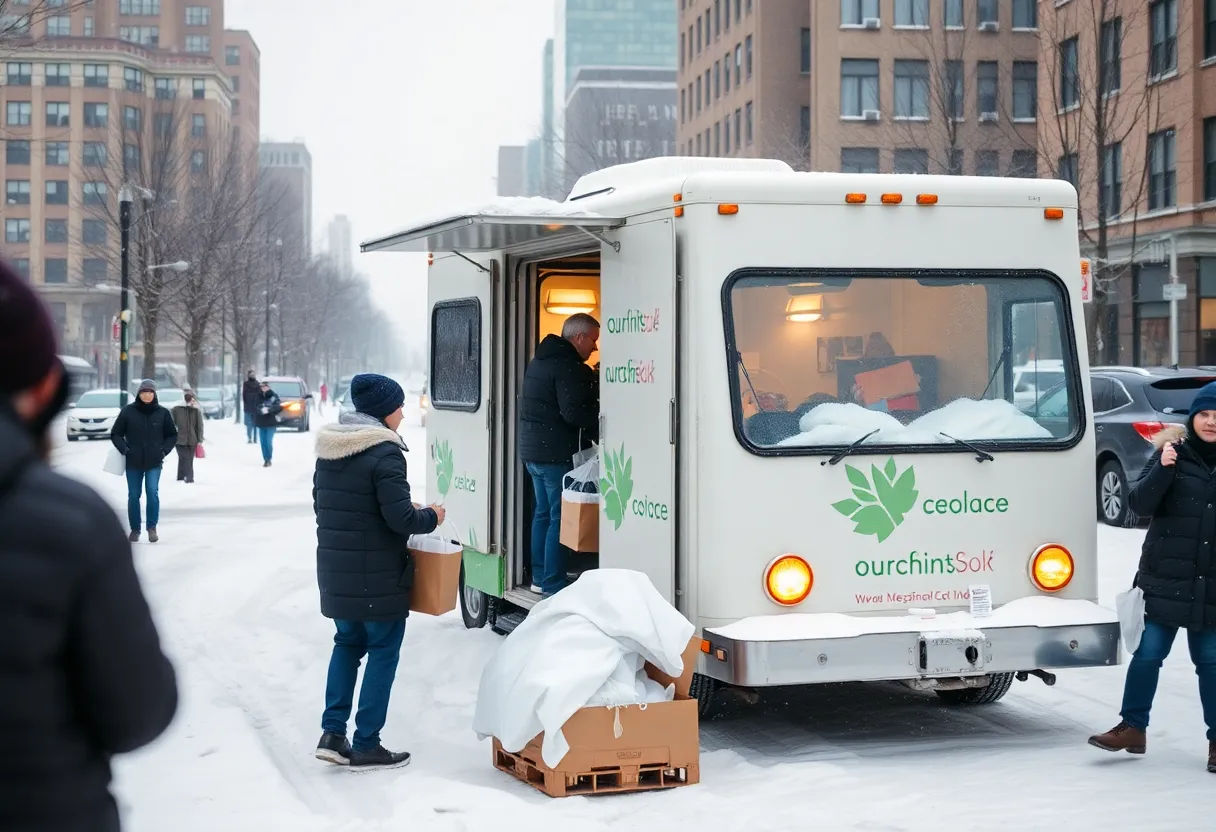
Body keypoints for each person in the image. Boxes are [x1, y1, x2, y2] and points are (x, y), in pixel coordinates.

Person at [0, 257, 178, 832]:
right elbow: (138, 710)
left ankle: (148, 520)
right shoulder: (66, 524)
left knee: (148, 500)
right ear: (46, 388)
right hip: (48, 811)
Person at [312, 373, 446, 771]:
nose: (404, 413)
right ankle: (367, 742)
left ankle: (333, 734)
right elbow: (401, 518)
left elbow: (329, 508)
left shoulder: (331, 450)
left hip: (338, 570)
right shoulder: (385, 453)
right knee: (382, 652)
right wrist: (431, 516)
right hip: (378, 575)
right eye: (400, 405)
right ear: (385, 410)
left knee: (347, 645)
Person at [1089, 381, 1216, 774]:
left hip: (1212, 584)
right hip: (1165, 576)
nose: (1211, 422)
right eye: (1205, 415)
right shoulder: (1170, 452)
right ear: (1193, 418)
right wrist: (1162, 470)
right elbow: (1137, 504)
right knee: (1148, 655)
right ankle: (1133, 728)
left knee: (1211, 663)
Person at [518, 313, 600, 597]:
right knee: (558, 517)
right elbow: (573, 413)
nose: (594, 348)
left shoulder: (539, 360)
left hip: (532, 453)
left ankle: (540, 576)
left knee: (543, 514)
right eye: (593, 340)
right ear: (579, 337)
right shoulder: (567, 367)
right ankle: (553, 584)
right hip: (554, 455)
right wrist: (600, 419)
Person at [111, 378, 178, 543]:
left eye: (150, 392)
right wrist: (125, 449)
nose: (147, 395)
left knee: (152, 493)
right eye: (143, 392)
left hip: (154, 461)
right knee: (133, 495)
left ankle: (151, 528)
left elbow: (172, 435)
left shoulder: (162, 413)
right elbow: (116, 433)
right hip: (133, 462)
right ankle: (135, 529)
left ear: (154, 394)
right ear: (139, 394)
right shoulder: (128, 412)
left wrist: (163, 451)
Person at [171, 389, 205, 483]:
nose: (189, 398)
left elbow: (199, 426)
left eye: (191, 396)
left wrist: (200, 439)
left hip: (192, 439)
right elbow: (171, 424)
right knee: (184, 457)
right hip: (179, 439)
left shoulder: (195, 410)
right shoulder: (176, 409)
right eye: (187, 396)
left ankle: (181, 476)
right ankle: (189, 477)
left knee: (188, 458)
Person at [254, 380, 283, 467]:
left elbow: (279, 407)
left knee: (268, 441)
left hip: (271, 423)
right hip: (261, 422)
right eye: (262, 387)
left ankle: (268, 458)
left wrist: (269, 410)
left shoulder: (273, 396)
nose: (263, 388)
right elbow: (255, 406)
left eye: (265, 386)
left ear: (268, 387)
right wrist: (260, 410)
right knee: (263, 442)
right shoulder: (258, 396)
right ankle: (265, 459)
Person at [242, 369, 261, 444]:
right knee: (255, 423)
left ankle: (250, 437)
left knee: (249, 423)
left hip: (248, 406)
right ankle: (255, 438)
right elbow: (259, 396)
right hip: (255, 406)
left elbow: (244, 395)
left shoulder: (246, 384)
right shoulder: (258, 384)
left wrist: (245, 404)